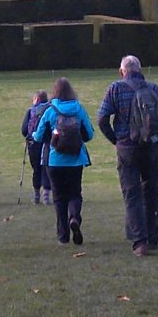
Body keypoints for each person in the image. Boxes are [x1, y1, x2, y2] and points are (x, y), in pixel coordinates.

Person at [97, 55, 158, 256]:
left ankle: (139, 241)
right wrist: (157, 137)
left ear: (122, 71)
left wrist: (115, 140)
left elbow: (102, 119)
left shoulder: (115, 88)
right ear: (141, 69)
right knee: (151, 193)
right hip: (150, 148)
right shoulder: (154, 89)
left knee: (132, 194)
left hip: (127, 148)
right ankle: (152, 237)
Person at [32, 77, 95, 245]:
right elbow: (89, 134)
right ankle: (74, 217)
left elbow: (38, 136)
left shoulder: (50, 110)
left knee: (59, 197)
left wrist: (35, 136)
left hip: (54, 160)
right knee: (75, 194)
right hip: (75, 159)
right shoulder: (78, 109)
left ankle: (63, 235)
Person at [21, 90, 53, 204]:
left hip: (33, 144)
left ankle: (36, 196)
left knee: (36, 170)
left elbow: (24, 130)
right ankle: (46, 196)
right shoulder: (50, 109)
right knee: (46, 168)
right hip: (46, 143)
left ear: (37, 99)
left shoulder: (30, 111)